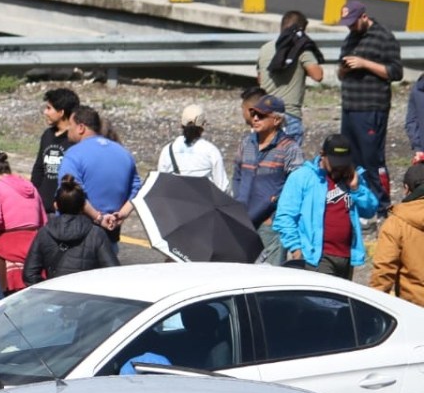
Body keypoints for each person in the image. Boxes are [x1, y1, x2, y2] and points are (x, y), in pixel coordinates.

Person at [273, 134, 377, 279]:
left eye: (343, 162)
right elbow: (284, 216)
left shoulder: (352, 177)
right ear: (323, 155)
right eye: (335, 162)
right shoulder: (303, 177)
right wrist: (296, 249)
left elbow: (370, 210)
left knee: (343, 301)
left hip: (346, 256)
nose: (339, 167)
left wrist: (356, 189)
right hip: (316, 257)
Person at [338, 0, 404, 219]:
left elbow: (396, 72)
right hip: (350, 106)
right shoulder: (350, 37)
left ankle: (382, 206)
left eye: (353, 22)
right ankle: (360, 202)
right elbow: (340, 73)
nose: (350, 27)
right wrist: (345, 70)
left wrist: (365, 64)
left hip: (372, 107)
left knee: (372, 159)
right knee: (351, 159)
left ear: (364, 17)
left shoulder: (384, 37)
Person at [232, 94, 305, 265]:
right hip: (243, 223)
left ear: (277, 120)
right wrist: (238, 201)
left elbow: (297, 189)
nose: (255, 118)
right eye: (254, 114)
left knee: (270, 280)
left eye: (262, 115)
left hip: (270, 226)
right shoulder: (246, 143)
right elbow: (236, 176)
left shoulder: (290, 149)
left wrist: (276, 211)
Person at [57, 107, 142, 247]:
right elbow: (138, 189)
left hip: (78, 237)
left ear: (81, 127)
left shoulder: (73, 154)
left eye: (70, 125)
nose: (68, 129)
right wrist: (122, 214)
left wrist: (98, 217)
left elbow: (72, 193)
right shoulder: (124, 153)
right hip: (110, 236)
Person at [24, 175, 120, 285]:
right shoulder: (96, 234)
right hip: (87, 297)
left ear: (56, 205)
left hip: (54, 296)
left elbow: (29, 274)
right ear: (83, 206)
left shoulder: (44, 232)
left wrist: (47, 294)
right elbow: (113, 273)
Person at [0, 152, 46, 299]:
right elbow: (43, 221)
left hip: (6, 250)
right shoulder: (30, 187)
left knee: (4, 300)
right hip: (33, 249)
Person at [256, 10, 324, 144]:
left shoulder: (265, 48)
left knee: (265, 161)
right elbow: (318, 76)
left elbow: (260, 79)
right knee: (289, 163)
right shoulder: (301, 49)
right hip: (289, 115)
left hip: (264, 115)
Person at [370, 164, 424, 306]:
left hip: (415, 309)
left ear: (406, 189)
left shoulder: (396, 223)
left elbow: (384, 271)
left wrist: (374, 308)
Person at [156, 104, 229, 192]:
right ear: (203, 126)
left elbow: (161, 183)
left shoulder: (168, 150)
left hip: (176, 202)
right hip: (203, 203)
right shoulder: (211, 151)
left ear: (181, 125)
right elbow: (222, 186)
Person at [31, 88, 80, 216]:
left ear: (61, 112)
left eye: (49, 108)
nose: (45, 112)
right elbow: (39, 168)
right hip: (42, 209)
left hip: (65, 210)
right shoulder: (47, 135)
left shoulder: (75, 139)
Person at [406, 74, 424, 164]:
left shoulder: (417, 89)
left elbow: (411, 121)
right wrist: (418, 147)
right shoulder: (417, 90)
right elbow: (412, 121)